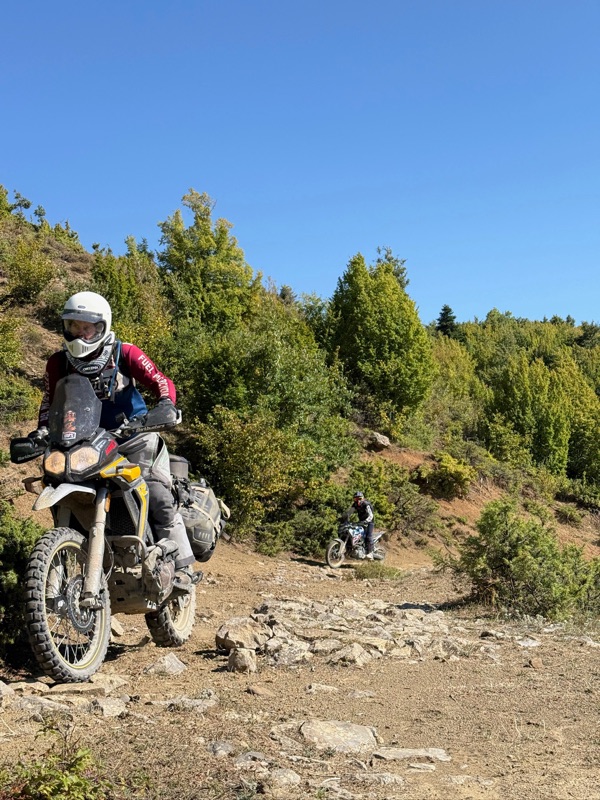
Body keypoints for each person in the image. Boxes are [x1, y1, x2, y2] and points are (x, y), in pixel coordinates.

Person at [32, 291, 198, 591]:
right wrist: (43, 430)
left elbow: (160, 381)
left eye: (87, 327)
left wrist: (165, 405)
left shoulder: (125, 352)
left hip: (132, 437)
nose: (80, 334)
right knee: (57, 483)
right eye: (73, 326)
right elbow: (49, 401)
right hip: (82, 444)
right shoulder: (57, 363)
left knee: (156, 490)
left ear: (102, 326)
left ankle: (183, 567)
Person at [347, 491, 375, 559]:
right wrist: (344, 517)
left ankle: (370, 553)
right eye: (356, 499)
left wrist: (366, 521)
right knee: (358, 535)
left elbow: (371, 515)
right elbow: (349, 512)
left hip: (369, 522)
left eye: (359, 498)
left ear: (363, 498)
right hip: (361, 522)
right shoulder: (355, 505)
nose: (358, 500)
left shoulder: (366, 504)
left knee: (368, 536)